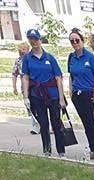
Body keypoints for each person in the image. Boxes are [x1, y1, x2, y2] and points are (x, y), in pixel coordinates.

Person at [20, 29, 67, 159]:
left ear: (40, 40)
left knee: (56, 123)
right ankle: (47, 150)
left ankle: (61, 151)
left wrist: (61, 98)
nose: (33, 42)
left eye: (35, 39)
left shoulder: (49, 58)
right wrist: (25, 96)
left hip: (52, 95)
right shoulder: (27, 58)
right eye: (31, 39)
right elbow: (25, 77)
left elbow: (58, 77)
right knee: (44, 124)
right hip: (37, 96)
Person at [67, 28, 94, 161]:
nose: (75, 43)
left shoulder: (90, 57)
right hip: (77, 94)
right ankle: (92, 149)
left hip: (90, 93)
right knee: (86, 123)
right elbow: (71, 75)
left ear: (82, 41)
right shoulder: (71, 57)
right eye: (72, 41)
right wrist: (70, 91)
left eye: (77, 40)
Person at [13, 41, 40, 135]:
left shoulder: (32, 59)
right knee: (29, 106)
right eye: (21, 49)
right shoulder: (18, 61)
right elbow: (14, 74)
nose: (23, 51)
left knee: (38, 105)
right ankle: (35, 126)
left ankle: (41, 125)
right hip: (25, 87)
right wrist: (14, 87)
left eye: (25, 49)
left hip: (35, 85)